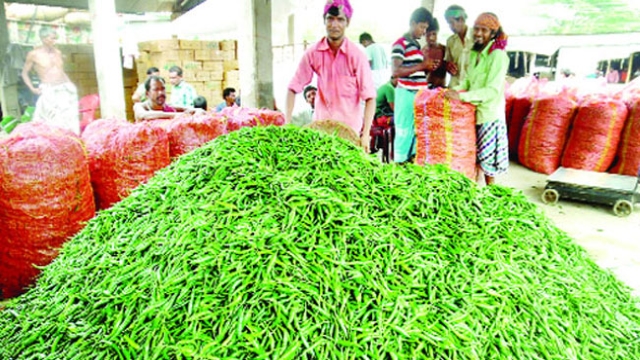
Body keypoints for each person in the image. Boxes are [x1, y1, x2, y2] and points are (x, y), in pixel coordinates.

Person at [285, 0, 376, 152]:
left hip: (350, 133)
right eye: (330, 19)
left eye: (340, 19)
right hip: (321, 132)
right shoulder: (313, 53)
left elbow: (370, 97)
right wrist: (287, 123)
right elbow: (293, 88)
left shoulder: (356, 56)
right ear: (324, 20)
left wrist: (365, 134)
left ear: (347, 22)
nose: (334, 25)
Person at [445, 12, 510, 186]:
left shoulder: (498, 56)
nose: (479, 33)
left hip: (489, 115)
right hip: (473, 112)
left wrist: (462, 96)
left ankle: (491, 194)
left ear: (493, 33)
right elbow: (467, 81)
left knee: (487, 162)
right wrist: (451, 91)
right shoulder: (475, 53)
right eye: (477, 29)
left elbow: (492, 90)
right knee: (475, 156)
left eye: (484, 30)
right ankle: (477, 189)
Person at [391, 7, 438, 163]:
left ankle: (410, 164)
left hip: (418, 94)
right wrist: (422, 66)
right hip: (406, 94)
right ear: (412, 23)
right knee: (404, 131)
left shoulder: (416, 46)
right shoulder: (400, 44)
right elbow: (396, 71)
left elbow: (416, 72)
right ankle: (398, 167)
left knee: (416, 131)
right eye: (421, 27)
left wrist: (428, 68)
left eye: (425, 28)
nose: (423, 31)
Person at [21, 27, 79, 134]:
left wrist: (70, 84)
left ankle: (70, 139)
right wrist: (32, 89)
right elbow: (24, 73)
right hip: (49, 88)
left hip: (64, 87)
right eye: (51, 38)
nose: (54, 41)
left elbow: (61, 71)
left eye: (55, 38)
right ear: (43, 38)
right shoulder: (34, 54)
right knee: (51, 119)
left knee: (68, 118)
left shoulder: (57, 52)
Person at [134, 76, 200, 122]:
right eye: (156, 89)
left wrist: (197, 112)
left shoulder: (169, 106)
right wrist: (175, 115)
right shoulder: (140, 106)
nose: (160, 93)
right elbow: (143, 115)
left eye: (163, 89)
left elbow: (192, 110)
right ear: (147, 93)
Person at [444, 5, 474, 88]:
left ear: (461, 20)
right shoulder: (450, 41)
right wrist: (449, 67)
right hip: (454, 87)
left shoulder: (476, 37)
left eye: (452, 22)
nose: (451, 27)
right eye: (448, 23)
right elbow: (448, 62)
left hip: (472, 88)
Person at [423, 18, 447, 88]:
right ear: (424, 34)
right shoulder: (422, 52)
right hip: (425, 89)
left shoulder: (444, 50)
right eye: (428, 35)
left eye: (434, 34)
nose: (431, 38)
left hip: (441, 89)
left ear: (438, 33)